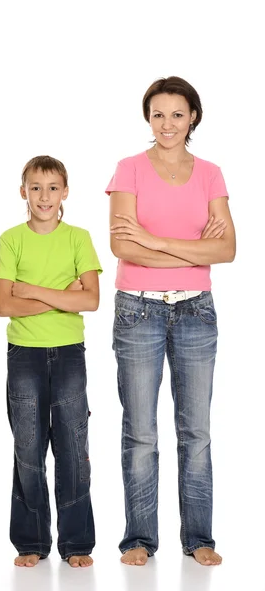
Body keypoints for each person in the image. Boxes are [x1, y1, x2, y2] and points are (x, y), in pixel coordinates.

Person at [107, 76, 236, 567]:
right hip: (137, 308)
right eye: (158, 114)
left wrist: (155, 240)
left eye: (177, 115)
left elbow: (226, 249)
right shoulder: (129, 170)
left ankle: (199, 538)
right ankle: (139, 538)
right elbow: (122, 246)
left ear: (193, 118)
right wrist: (188, 248)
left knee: (195, 430)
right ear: (148, 118)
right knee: (141, 431)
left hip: (196, 310)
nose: (167, 124)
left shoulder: (211, 174)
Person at [0, 155, 101, 568]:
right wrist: (60, 294)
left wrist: (30, 292)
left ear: (65, 192)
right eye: (35, 187)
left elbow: (90, 299)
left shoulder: (78, 238)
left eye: (53, 188)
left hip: (69, 353)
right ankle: (31, 543)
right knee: (29, 449)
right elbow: (4, 305)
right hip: (25, 356)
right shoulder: (11, 240)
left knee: (73, 448)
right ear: (23, 192)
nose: (44, 196)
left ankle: (76, 544)